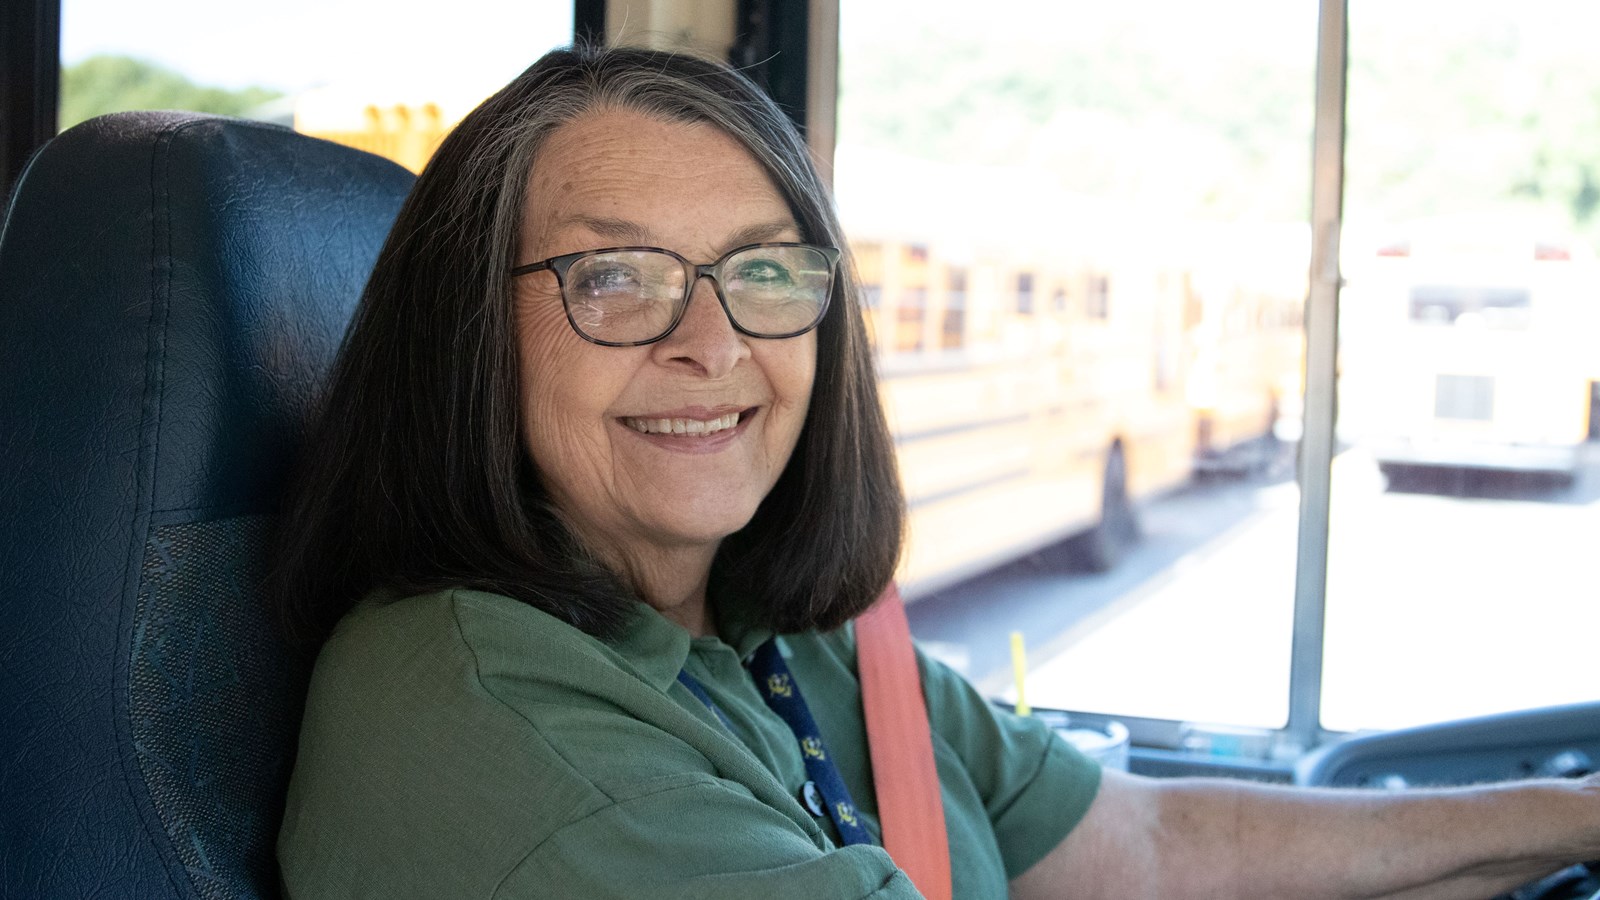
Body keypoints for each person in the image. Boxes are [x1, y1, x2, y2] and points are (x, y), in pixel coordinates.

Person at [272, 44, 1599, 899]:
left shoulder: (793, 637)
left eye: (765, 274)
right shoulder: (495, 720)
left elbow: (1139, 843)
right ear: (470, 333)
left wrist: (1565, 816)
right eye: (615, 278)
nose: (713, 345)